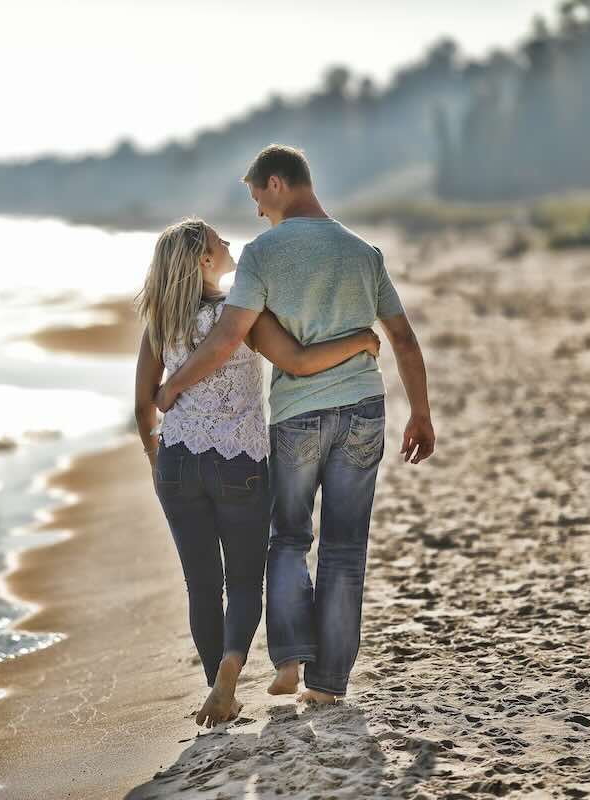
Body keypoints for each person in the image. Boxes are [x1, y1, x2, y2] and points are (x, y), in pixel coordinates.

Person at [155, 144, 435, 705]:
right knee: (344, 549)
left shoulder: (262, 254)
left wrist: (174, 384)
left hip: (296, 418)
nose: (258, 210)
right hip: (362, 409)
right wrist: (421, 413)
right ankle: (328, 684)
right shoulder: (364, 253)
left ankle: (288, 660)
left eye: (258, 195)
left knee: (288, 539)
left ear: (278, 183)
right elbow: (401, 337)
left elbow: (230, 336)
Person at [134, 217, 382, 727]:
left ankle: (216, 688)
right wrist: (360, 339)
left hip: (179, 463)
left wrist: (155, 454)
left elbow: (143, 405)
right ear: (205, 261)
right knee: (245, 579)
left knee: (201, 583)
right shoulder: (240, 314)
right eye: (219, 242)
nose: (229, 245)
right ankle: (229, 671)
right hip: (239, 463)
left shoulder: (160, 320)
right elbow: (299, 359)